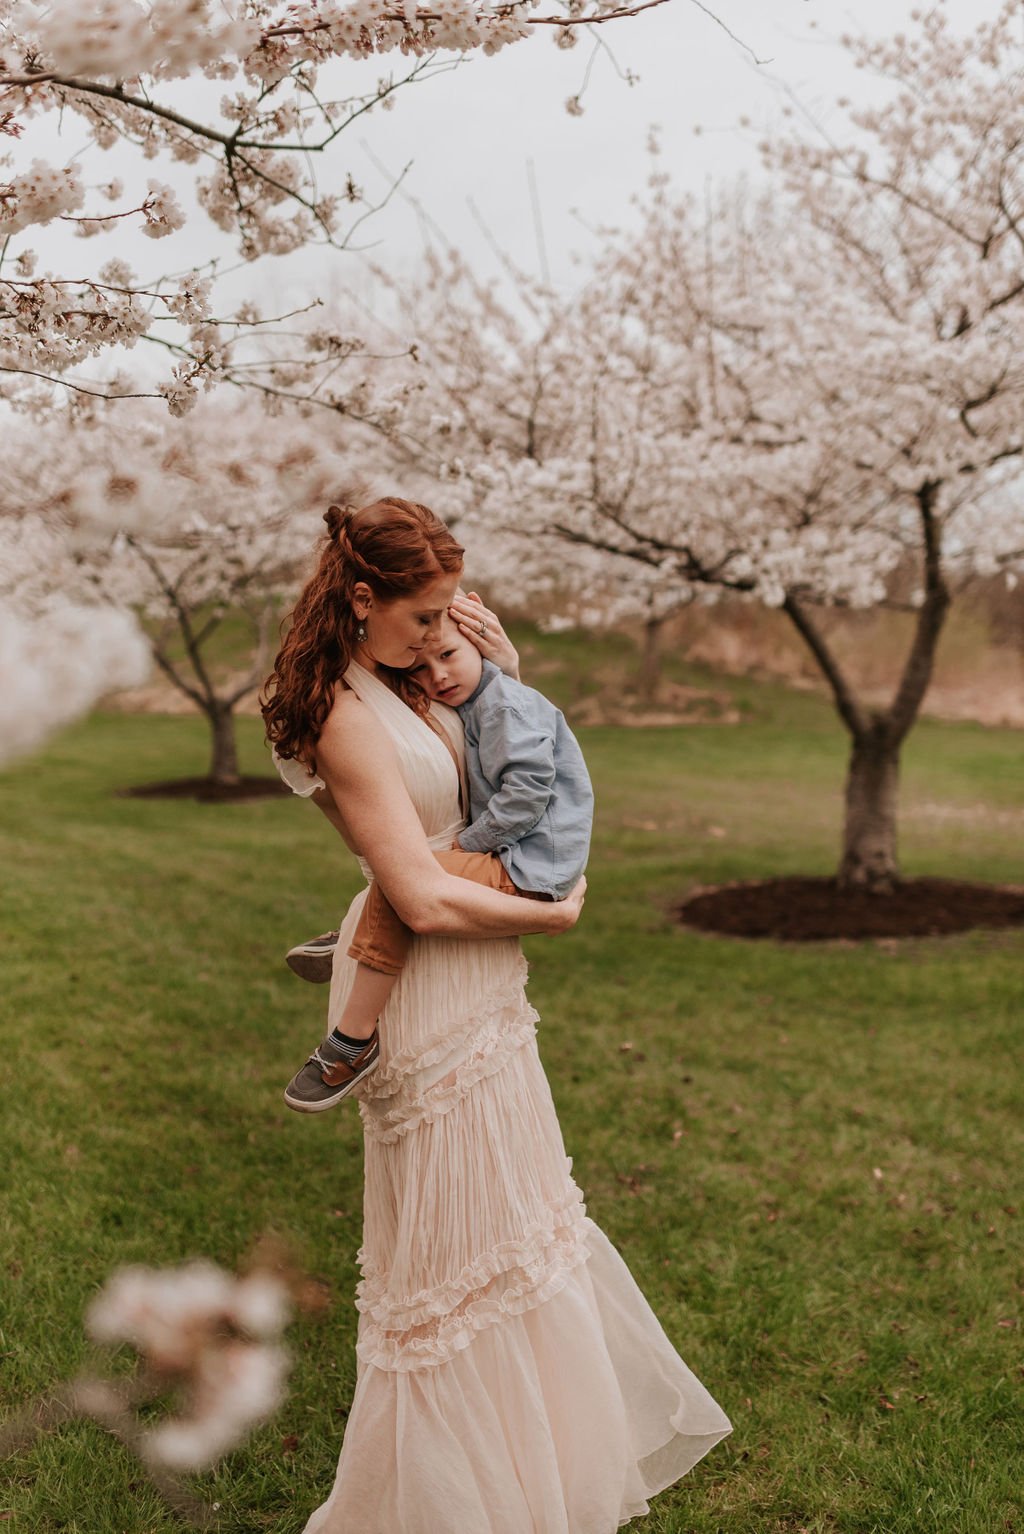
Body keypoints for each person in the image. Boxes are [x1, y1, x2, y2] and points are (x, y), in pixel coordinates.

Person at [262, 495, 731, 1533]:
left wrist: (496, 664)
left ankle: (534, 1493)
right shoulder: (339, 712)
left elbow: (510, 758)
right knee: (445, 1268)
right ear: (359, 598)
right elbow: (420, 897)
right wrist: (551, 911)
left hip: (485, 988)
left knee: (519, 1238)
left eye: (445, 617)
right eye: (422, 616)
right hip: (426, 989)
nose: (440, 635)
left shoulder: (411, 677)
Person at [281, 607, 594, 1112]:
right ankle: (361, 939)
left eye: (447, 656)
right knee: (406, 877)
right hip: (516, 853)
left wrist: (462, 847)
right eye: (421, 670)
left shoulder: (504, 706)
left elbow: (526, 793)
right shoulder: (485, 698)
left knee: (404, 879)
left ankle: (352, 1041)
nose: (438, 676)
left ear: (479, 645)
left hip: (525, 864)